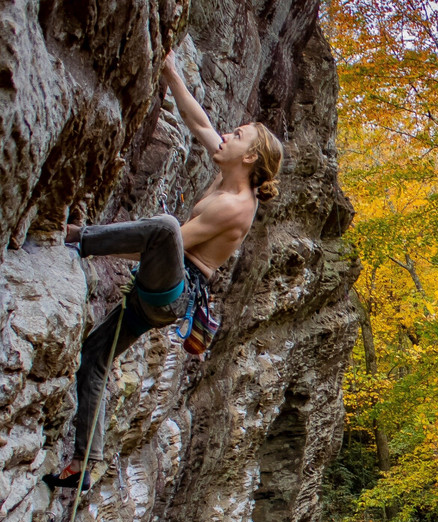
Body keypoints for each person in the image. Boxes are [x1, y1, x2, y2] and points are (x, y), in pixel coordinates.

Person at [44, 51, 284, 490]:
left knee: (166, 226)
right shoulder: (230, 173)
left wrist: (99, 247)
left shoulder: (234, 206)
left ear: (250, 157)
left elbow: (165, 242)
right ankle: (84, 463)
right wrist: (171, 72)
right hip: (157, 293)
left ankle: (74, 238)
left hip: (172, 292)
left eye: (239, 134)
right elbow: (199, 125)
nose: (228, 134)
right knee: (93, 357)